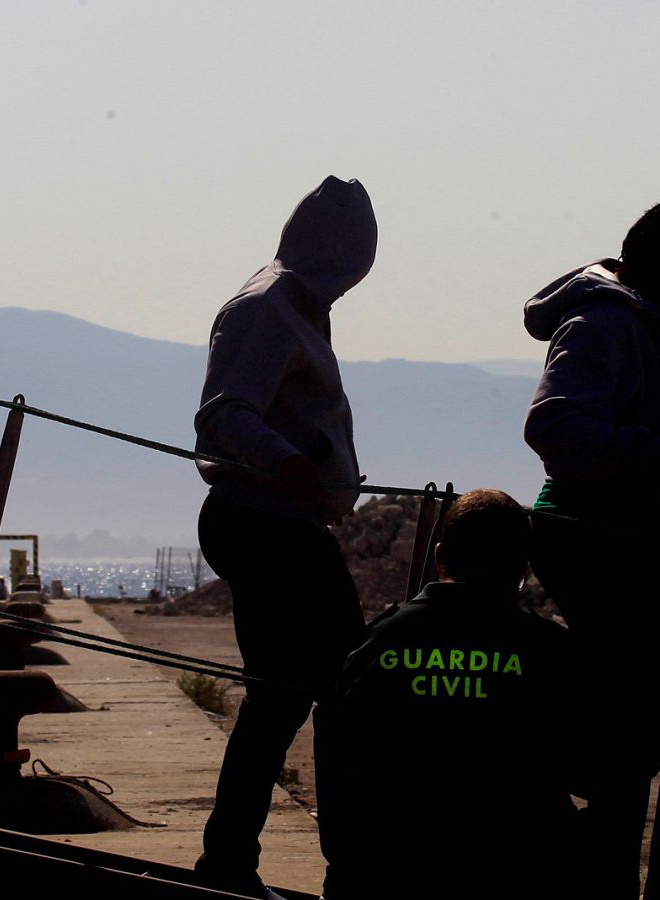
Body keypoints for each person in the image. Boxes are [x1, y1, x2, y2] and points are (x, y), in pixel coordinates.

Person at [522, 197, 660, 899]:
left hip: (625, 537)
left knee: (638, 729)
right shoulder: (607, 323)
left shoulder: (631, 319)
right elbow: (553, 426)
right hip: (606, 543)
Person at [191, 176, 376, 897]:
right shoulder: (266, 309)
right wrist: (295, 466)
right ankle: (287, 860)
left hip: (284, 521)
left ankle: (241, 857)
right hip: (266, 521)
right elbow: (224, 414)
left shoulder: (294, 305)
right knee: (322, 691)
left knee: (299, 694)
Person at [313, 489, 577, 900]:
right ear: (522, 568)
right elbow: (600, 770)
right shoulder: (551, 653)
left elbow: (333, 754)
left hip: (381, 878)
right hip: (515, 877)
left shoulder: (376, 643)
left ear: (440, 557)